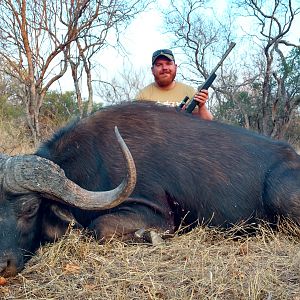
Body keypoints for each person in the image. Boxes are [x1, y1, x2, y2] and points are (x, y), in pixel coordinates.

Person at [135, 49, 213, 120]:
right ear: (152, 70)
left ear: (175, 67)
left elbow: (208, 122)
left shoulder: (190, 91)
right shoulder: (142, 96)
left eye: (168, 63)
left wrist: (202, 106)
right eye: (159, 65)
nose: (164, 68)